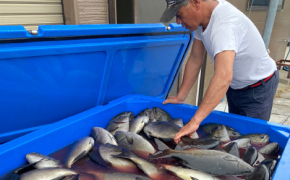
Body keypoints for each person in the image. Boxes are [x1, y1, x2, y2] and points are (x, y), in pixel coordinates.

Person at [160, 0, 279, 144]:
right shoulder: (202, 19)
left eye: (179, 15)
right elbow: (196, 59)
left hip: (258, 87)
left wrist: (195, 121)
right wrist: (180, 97)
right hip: (235, 86)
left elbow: (223, 78)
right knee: (234, 135)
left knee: (249, 141)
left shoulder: (224, 25)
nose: (178, 22)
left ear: (196, 3)